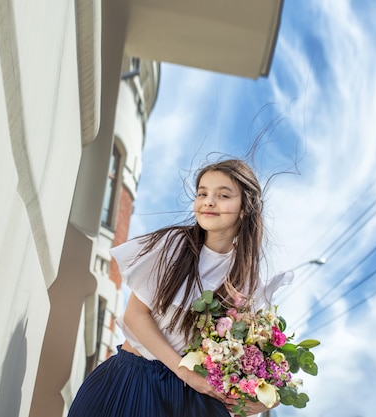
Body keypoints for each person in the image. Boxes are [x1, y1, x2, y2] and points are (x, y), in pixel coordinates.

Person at [68, 159, 279, 417]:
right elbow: (135, 315)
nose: (209, 201)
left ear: (245, 208)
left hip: (193, 401)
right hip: (133, 378)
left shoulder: (248, 280)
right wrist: (186, 374)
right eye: (202, 193)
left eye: (223, 195)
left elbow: (263, 365)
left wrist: (263, 401)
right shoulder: (176, 245)